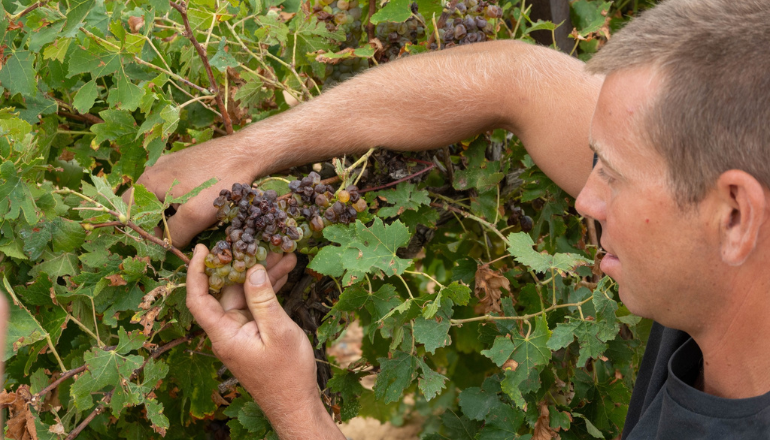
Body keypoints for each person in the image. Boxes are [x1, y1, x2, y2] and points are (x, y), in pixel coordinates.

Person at [132, 0, 770, 438]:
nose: (585, 198)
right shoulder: (714, 215)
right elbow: (516, 77)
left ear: (735, 215)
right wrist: (249, 149)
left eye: (611, 172)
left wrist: (295, 407)